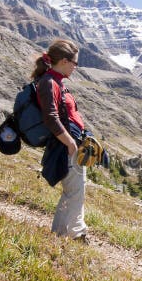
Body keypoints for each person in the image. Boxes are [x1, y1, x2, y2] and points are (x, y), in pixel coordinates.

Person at [33, 39, 89, 239]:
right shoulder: (49, 83)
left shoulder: (56, 82)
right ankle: (71, 235)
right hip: (64, 147)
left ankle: (66, 233)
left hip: (69, 146)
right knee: (74, 192)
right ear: (64, 61)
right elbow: (50, 117)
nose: (75, 67)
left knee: (75, 191)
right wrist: (70, 142)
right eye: (74, 63)